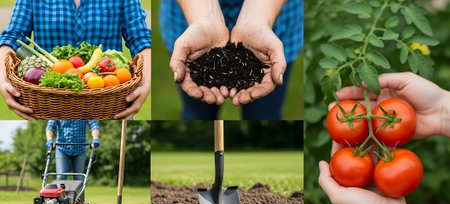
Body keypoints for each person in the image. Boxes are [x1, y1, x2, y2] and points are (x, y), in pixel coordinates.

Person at [318, 72, 450, 204]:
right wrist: (442, 108)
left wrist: (442, 108)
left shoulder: (346, 125)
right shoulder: (402, 153)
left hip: (381, 122)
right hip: (391, 117)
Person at [0, 0, 151, 120]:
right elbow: (12, 37)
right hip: (49, 107)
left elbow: (141, 39)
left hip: (109, 107)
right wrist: (3, 79)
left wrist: (146, 82)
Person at [160, 0, 303, 119]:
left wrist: (258, 17)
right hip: (192, 16)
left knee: (265, 115)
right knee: (196, 115)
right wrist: (204, 18)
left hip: (270, 19)